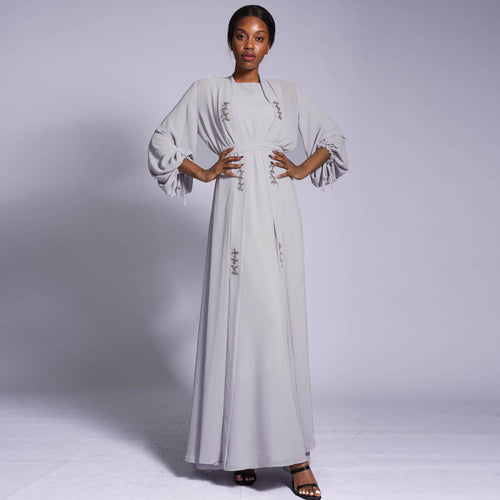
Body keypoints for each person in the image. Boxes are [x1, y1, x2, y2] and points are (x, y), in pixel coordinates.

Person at [147, 5, 348, 499]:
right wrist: (204, 171)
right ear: (230, 41)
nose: (249, 46)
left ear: (270, 45)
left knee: (278, 321)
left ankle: (297, 457)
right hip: (235, 214)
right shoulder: (207, 91)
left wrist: (300, 169)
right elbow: (162, 139)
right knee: (240, 322)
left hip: (278, 215)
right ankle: (241, 450)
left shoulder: (288, 95)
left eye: (258, 37)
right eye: (241, 36)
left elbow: (332, 138)